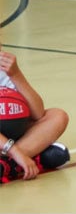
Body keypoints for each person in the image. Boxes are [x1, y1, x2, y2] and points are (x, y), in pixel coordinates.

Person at [0, 44, 70, 183]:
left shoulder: (3, 65)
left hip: (10, 137)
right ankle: (31, 157)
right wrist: (15, 151)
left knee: (58, 116)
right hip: (8, 144)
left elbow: (38, 113)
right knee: (56, 155)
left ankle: (7, 165)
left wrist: (16, 74)